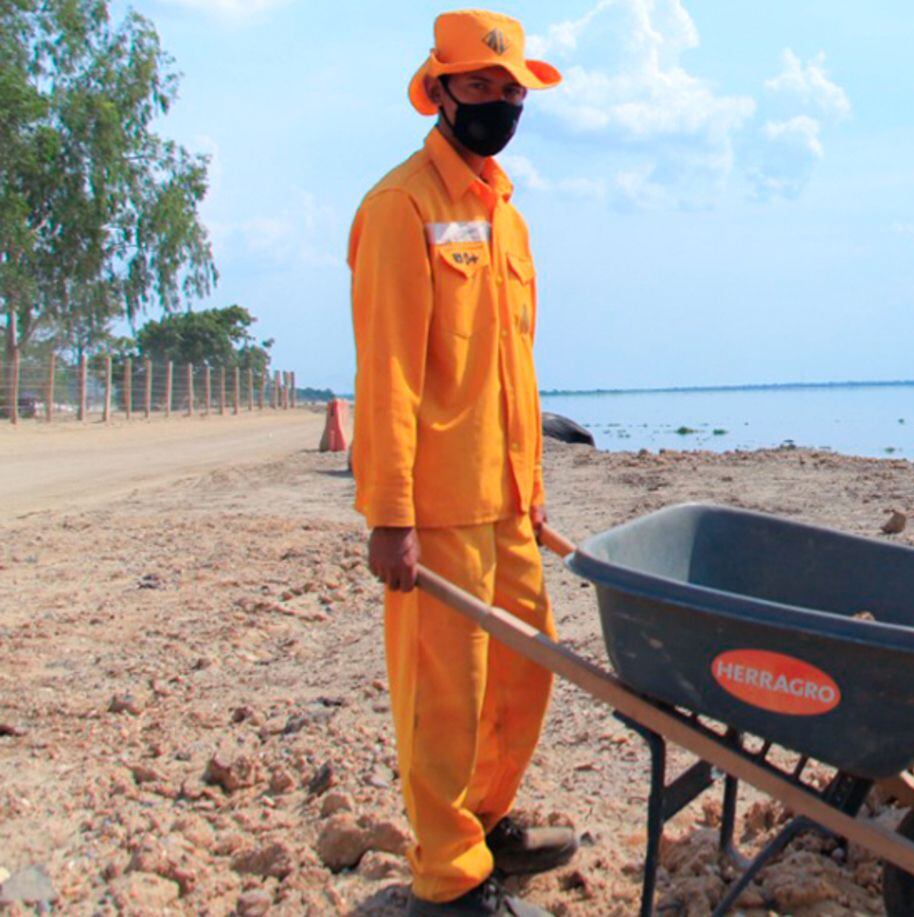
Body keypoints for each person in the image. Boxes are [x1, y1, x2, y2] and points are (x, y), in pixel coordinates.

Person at [349, 10, 573, 914]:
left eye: (508, 88)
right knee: (444, 696)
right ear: (438, 90)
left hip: (510, 498)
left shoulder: (506, 217)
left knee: (527, 666)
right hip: (436, 507)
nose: (496, 101)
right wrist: (390, 514)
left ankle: (486, 818)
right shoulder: (402, 206)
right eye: (477, 85)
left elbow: (512, 368)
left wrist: (534, 492)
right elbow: (391, 370)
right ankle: (448, 873)